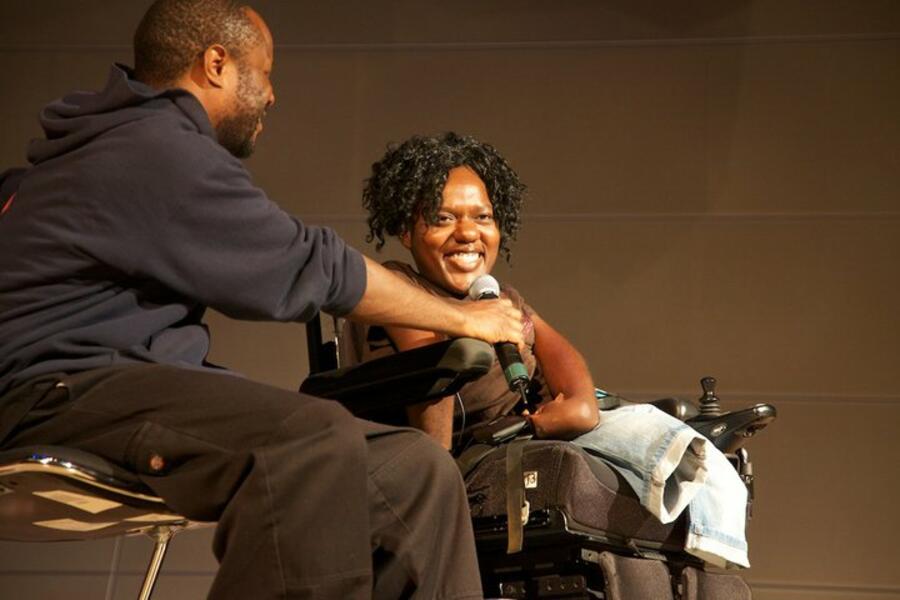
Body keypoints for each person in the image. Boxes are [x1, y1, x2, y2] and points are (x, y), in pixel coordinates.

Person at [0, 3, 527, 599]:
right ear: (217, 64)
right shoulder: (152, 148)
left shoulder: (128, 144)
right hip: (49, 390)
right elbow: (306, 266)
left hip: (109, 380)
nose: (272, 95)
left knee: (416, 471)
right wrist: (463, 317)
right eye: (266, 73)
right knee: (311, 438)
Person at [345, 131, 751, 569]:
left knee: (650, 431)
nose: (468, 233)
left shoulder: (499, 296)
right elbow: (432, 371)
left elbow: (563, 356)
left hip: (525, 428)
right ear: (407, 230)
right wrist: (438, 487)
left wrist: (578, 406)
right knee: (643, 434)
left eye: (483, 217)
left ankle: (708, 525)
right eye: (443, 219)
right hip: (461, 452)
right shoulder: (400, 288)